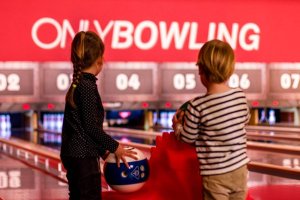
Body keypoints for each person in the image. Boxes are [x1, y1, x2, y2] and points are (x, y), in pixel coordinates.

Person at [60, 31, 137, 200]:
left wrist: (103, 152)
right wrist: (115, 146)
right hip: (83, 157)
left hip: (76, 155)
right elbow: (90, 127)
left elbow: (80, 126)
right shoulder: (86, 86)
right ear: (99, 60)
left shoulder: (79, 84)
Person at [172, 39, 250, 200]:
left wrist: (178, 126)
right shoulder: (240, 96)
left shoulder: (197, 105)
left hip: (215, 175)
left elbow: (188, 137)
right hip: (240, 169)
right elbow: (245, 119)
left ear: (201, 70)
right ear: (230, 69)